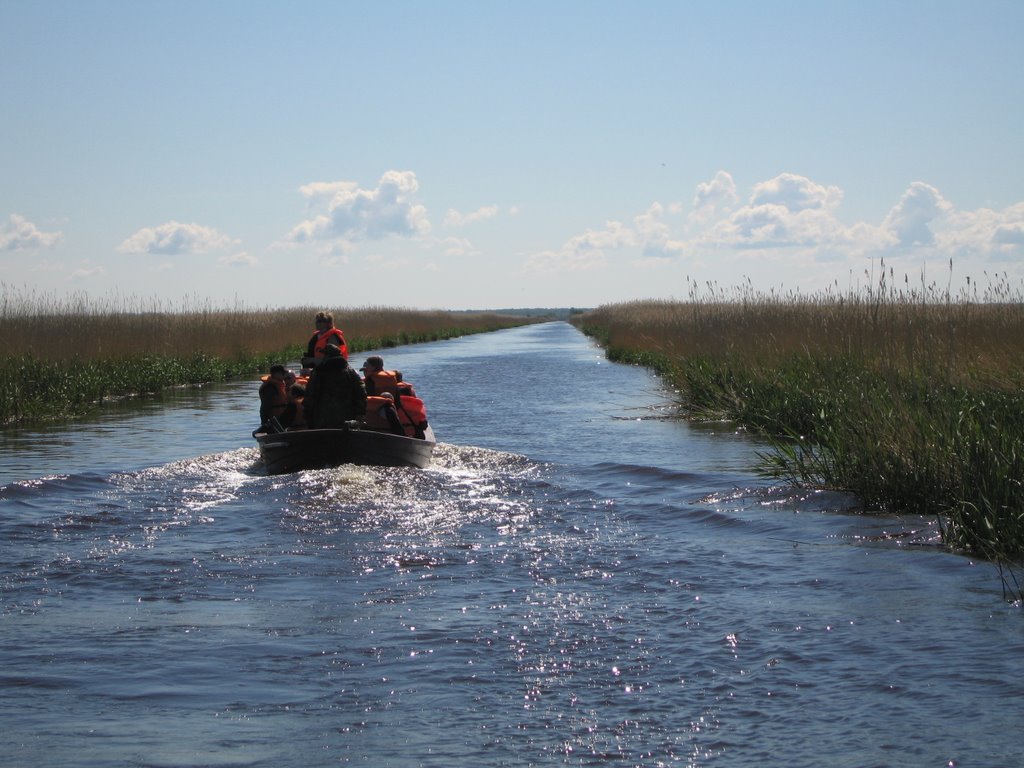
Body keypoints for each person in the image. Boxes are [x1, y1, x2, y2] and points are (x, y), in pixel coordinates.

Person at [303, 344, 367, 428]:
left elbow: (309, 396)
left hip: (322, 420)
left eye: (324, 354)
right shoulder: (351, 372)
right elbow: (361, 393)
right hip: (347, 420)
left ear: (327, 355)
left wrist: (307, 416)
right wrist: (360, 413)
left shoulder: (317, 373)